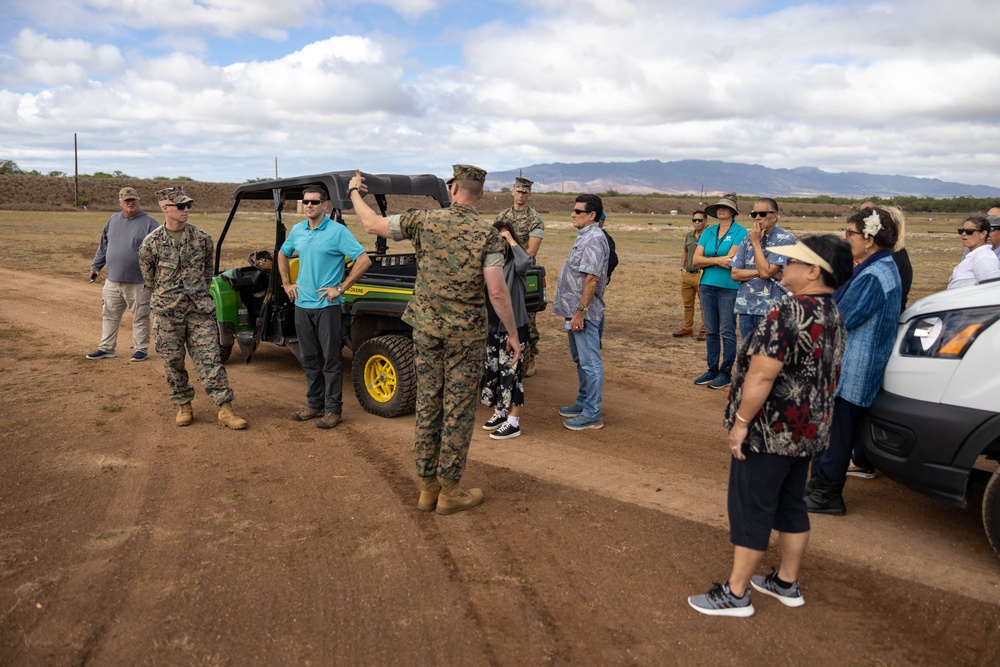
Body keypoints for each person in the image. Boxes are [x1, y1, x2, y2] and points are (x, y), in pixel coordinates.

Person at [687, 235, 852, 617]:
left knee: (752, 507)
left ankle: (736, 593)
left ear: (813, 271)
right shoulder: (832, 312)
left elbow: (761, 377)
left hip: (771, 432)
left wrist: (742, 423)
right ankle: (785, 582)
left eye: (793, 262)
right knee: (792, 504)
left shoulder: (788, 312)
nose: (784, 266)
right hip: (808, 433)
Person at [348, 166, 520, 515]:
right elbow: (498, 293)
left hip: (426, 329)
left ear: (452, 188)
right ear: (481, 194)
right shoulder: (487, 235)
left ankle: (427, 488)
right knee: (457, 410)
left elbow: (371, 225)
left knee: (428, 403)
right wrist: (513, 334)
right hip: (466, 335)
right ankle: (450, 491)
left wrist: (354, 192)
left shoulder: (424, 221)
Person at [805, 207, 901, 512]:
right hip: (847, 362)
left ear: (869, 239)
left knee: (838, 432)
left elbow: (843, 317)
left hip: (855, 365)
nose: (845, 238)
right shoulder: (875, 267)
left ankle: (827, 494)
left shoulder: (876, 274)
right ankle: (818, 486)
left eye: (850, 232)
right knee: (831, 428)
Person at [138, 186, 247, 430]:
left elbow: (208, 273)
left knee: (211, 358)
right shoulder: (151, 243)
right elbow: (150, 279)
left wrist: (197, 295)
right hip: (168, 313)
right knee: (173, 359)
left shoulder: (202, 239)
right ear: (165, 208)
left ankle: (225, 408)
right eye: (180, 206)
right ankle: (183, 404)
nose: (186, 210)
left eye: (188, 205)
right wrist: (170, 298)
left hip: (199, 311)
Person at [278, 186, 372, 429]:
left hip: (327, 306)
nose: (309, 205)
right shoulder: (298, 230)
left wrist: (341, 288)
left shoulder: (337, 232)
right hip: (302, 305)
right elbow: (282, 253)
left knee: (330, 359)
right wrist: (287, 282)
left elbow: (364, 260)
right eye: (305, 201)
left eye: (314, 202)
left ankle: (333, 410)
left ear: (325, 205)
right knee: (309, 358)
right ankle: (314, 404)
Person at [553, 194, 609, 431]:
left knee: (590, 363)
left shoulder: (595, 239)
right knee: (581, 360)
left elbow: (592, 279)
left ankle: (592, 414)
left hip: (584, 313)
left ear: (592, 215)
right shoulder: (585, 236)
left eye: (578, 211)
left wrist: (580, 312)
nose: (573, 214)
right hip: (575, 312)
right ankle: (584, 402)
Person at [86, 187, 161, 362]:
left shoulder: (150, 223)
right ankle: (106, 348)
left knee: (140, 317)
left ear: (138, 201)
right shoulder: (113, 220)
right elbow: (103, 246)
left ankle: (140, 349)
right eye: (126, 201)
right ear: (120, 203)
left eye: (133, 200)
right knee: (109, 315)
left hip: (139, 281)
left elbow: (160, 252)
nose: (130, 203)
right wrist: (96, 266)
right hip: (113, 281)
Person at [481, 221, 531, 440]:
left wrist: (510, 239)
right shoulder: (491, 263)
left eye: (503, 240)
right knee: (495, 372)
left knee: (511, 374)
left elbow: (526, 261)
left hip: (513, 327)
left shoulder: (515, 264)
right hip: (493, 326)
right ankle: (500, 412)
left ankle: (514, 422)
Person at [692, 193, 748, 390]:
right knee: (711, 329)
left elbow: (731, 261)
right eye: (718, 207)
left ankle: (725, 372)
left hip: (729, 287)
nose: (721, 210)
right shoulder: (709, 231)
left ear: (733, 211)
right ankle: (712, 369)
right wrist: (717, 261)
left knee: (727, 330)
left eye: (725, 207)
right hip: (707, 285)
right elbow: (695, 260)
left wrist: (710, 261)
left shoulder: (741, 232)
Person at [494, 177, 544, 376]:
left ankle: (530, 356)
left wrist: (514, 252)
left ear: (529, 195)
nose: (521, 195)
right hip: (502, 269)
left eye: (525, 192)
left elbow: (530, 251)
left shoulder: (535, 219)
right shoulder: (502, 215)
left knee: (527, 316)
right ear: (512, 192)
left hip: (525, 272)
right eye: (518, 191)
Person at [731, 198, 795, 339]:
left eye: (762, 214)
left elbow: (766, 273)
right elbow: (735, 274)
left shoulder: (784, 239)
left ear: (775, 216)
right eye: (754, 214)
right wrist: (763, 272)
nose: (758, 218)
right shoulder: (747, 239)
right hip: (747, 308)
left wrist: (756, 243)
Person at [673, 210, 707, 340]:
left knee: (704, 305)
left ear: (706, 221)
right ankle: (687, 328)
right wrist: (682, 268)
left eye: (700, 220)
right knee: (688, 304)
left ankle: (705, 330)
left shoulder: (709, 235)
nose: (697, 222)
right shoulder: (689, 235)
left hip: (702, 274)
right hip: (688, 274)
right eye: (694, 220)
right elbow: (685, 252)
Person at [947, 216, 1000, 289]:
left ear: (983, 234)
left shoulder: (984, 257)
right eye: (961, 231)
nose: (963, 234)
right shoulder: (975, 255)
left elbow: (991, 288)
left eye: (969, 231)